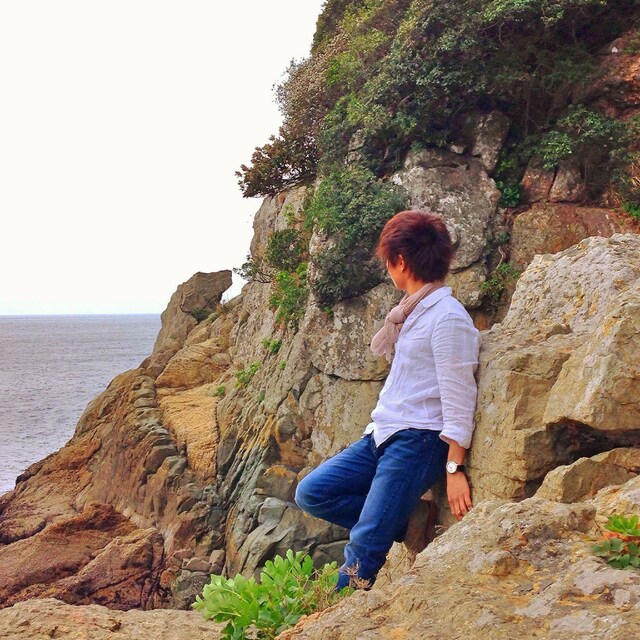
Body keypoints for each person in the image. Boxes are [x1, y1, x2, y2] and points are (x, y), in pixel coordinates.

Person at [295, 209, 482, 590]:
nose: (386, 267)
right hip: (383, 433)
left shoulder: (447, 318)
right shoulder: (411, 312)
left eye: (387, 260)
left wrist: (453, 469)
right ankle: (407, 520)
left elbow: (460, 397)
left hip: (418, 440)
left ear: (400, 260)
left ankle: (332, 611)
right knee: (312, 493)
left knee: (364, 546)